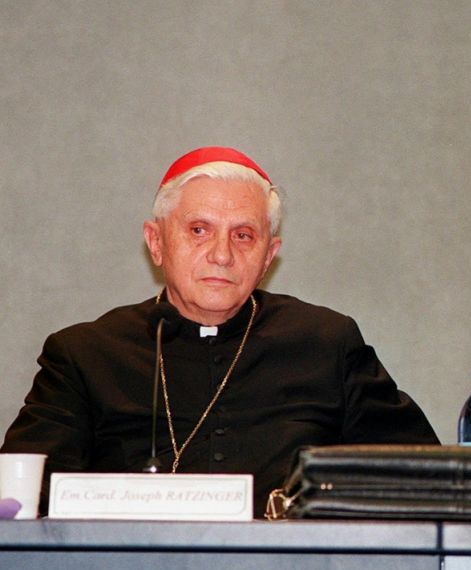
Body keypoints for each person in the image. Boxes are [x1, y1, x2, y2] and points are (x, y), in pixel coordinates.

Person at [2, 146, 439, 517]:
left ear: (268, 256)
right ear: (156, 242)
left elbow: (420, 479)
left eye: (244, 236)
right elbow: (18, 500)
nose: (222, 255)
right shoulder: (85, 354)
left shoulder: (326, 343)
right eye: (199, 230)